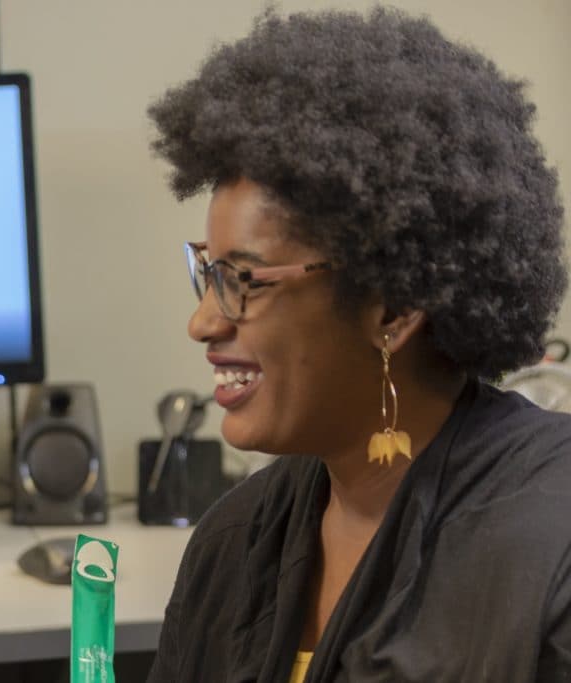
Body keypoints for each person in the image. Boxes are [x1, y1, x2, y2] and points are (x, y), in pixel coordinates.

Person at [146, 7, 571, 682]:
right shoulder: (232, 542)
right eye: (208, 272)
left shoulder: (550, 552)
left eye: (243, 280)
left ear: (394, 309)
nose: (204, 322)